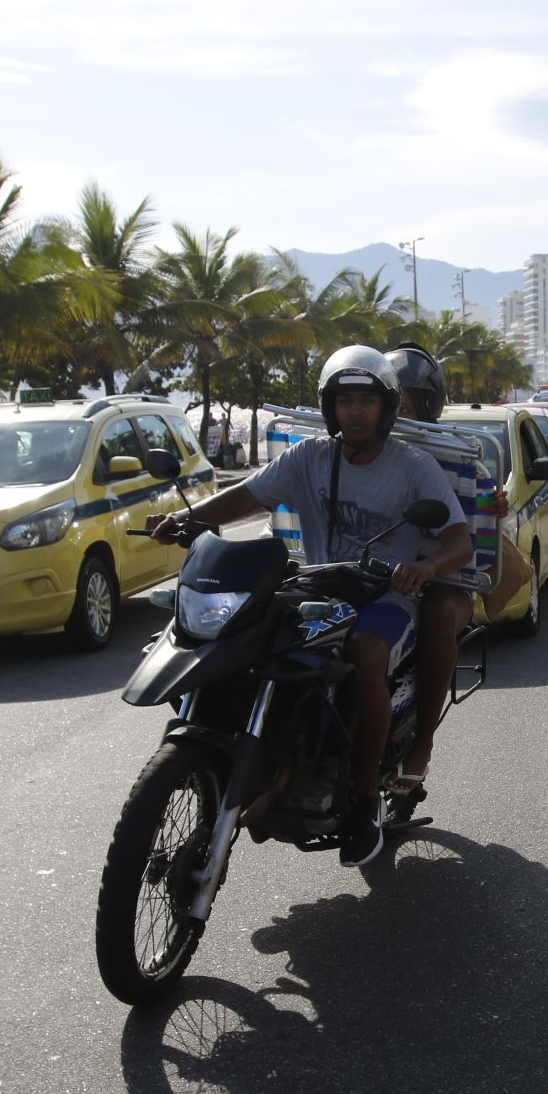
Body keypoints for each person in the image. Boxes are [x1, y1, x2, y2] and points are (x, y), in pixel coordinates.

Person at [149, 346, 472, 867]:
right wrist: (187, 520)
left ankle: (364, 800)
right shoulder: (309, 458)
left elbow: (459, 540)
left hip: (385, 599)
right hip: (317, 588)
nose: (356, 412)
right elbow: (246, 497)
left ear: (387, 406)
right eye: (345, 400)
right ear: (329, 407)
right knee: (248, 642)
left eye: (367, 400)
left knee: (366, 653)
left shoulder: (413, 468)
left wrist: (427, 569)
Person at [384, 341, 468, 793]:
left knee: (437, 612)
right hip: (371, 576)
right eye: (389, 403)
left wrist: (491, 507)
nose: (395, 416)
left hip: (443, 580)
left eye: (406, 407)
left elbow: (475, 534)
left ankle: (422, 747)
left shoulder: (456, 457)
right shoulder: (349, 451)